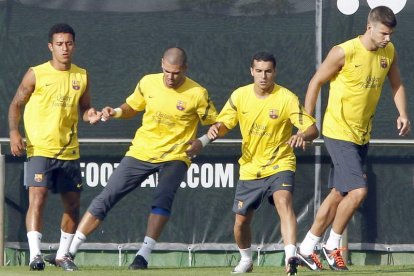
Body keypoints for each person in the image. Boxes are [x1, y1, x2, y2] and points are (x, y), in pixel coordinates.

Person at [44, 47, 218, 270]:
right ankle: (68, 254)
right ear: (161, 63)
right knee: (107, 196)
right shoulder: (148, 82)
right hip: (141, 151)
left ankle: (142, 256)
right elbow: (131, 107)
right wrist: (114, 112)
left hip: (176, 155)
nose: (170, 77)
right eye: (167, 71)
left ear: (184, 68)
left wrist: (201, 142)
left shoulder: (197, 93)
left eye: (176, 72)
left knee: (162, 198)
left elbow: (217, 124)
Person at [297, 6, 410, 271]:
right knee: (358, 191)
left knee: (339, 193)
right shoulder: (343, 51)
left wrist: (403, 113)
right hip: (338, 131)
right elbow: (315, 82)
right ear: (369, 27)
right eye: (384, 33)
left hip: (362, 133)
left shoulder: (388, 52)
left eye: (391, 33)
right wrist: (306, 121)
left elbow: (397, 84)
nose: (387, 38)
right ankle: (331, 244)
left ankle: (305, 247)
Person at [208, 52, 319, 275]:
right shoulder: (240, 96)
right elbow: (224, 124)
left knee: (283, 201)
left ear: (274, 72)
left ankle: (290, 258)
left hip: (280, 163)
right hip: (250, 168)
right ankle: (246, 260)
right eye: (259, 71)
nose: (263, 76)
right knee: (240, 223)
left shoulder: (286, 97)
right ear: (252, 72)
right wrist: (214, 130)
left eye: (268, 71)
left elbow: (313, 129)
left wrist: (302, 136)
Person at [8, 23, 102, 271]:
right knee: (37, 198)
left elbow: (85, 108)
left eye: (69, 43)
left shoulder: (81, 75)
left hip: (68, 150)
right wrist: (14, 132)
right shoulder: (36, 73)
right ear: (51, 47)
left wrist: (90, 114)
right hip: (39, 148)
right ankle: (35, 255)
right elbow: (16, 104)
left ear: (74, 45)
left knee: (72, 204)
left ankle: (62, 255)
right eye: (59, 44)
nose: (64, 48)